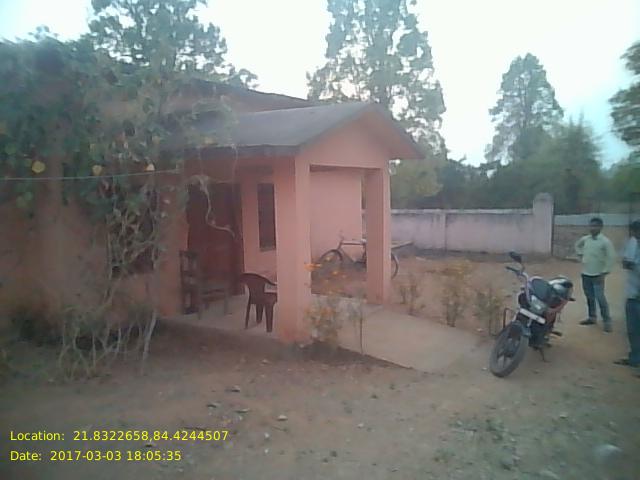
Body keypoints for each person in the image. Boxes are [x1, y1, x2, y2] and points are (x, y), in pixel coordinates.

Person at [574, 217, 616, 332]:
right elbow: (577, 245)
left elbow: (611, 257)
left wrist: (605, 271)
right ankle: (592, 317)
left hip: (598, 275)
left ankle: (607, 321)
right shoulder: (585, 239)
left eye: (595, 226)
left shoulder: (605, 241)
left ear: (601, 227)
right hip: (586, 273)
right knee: (589, 297)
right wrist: (580, 254)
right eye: (591, 226)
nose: (592, 228)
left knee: (600, 298)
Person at [615, 220, 640, 372]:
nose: (634, 235)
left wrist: (633, 265)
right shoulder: (632, 243)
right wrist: (627, 263)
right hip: (632, 293)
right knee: (632, 330)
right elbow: (626, 261)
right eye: (633, 232)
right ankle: (634, 358)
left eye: (636, 232)